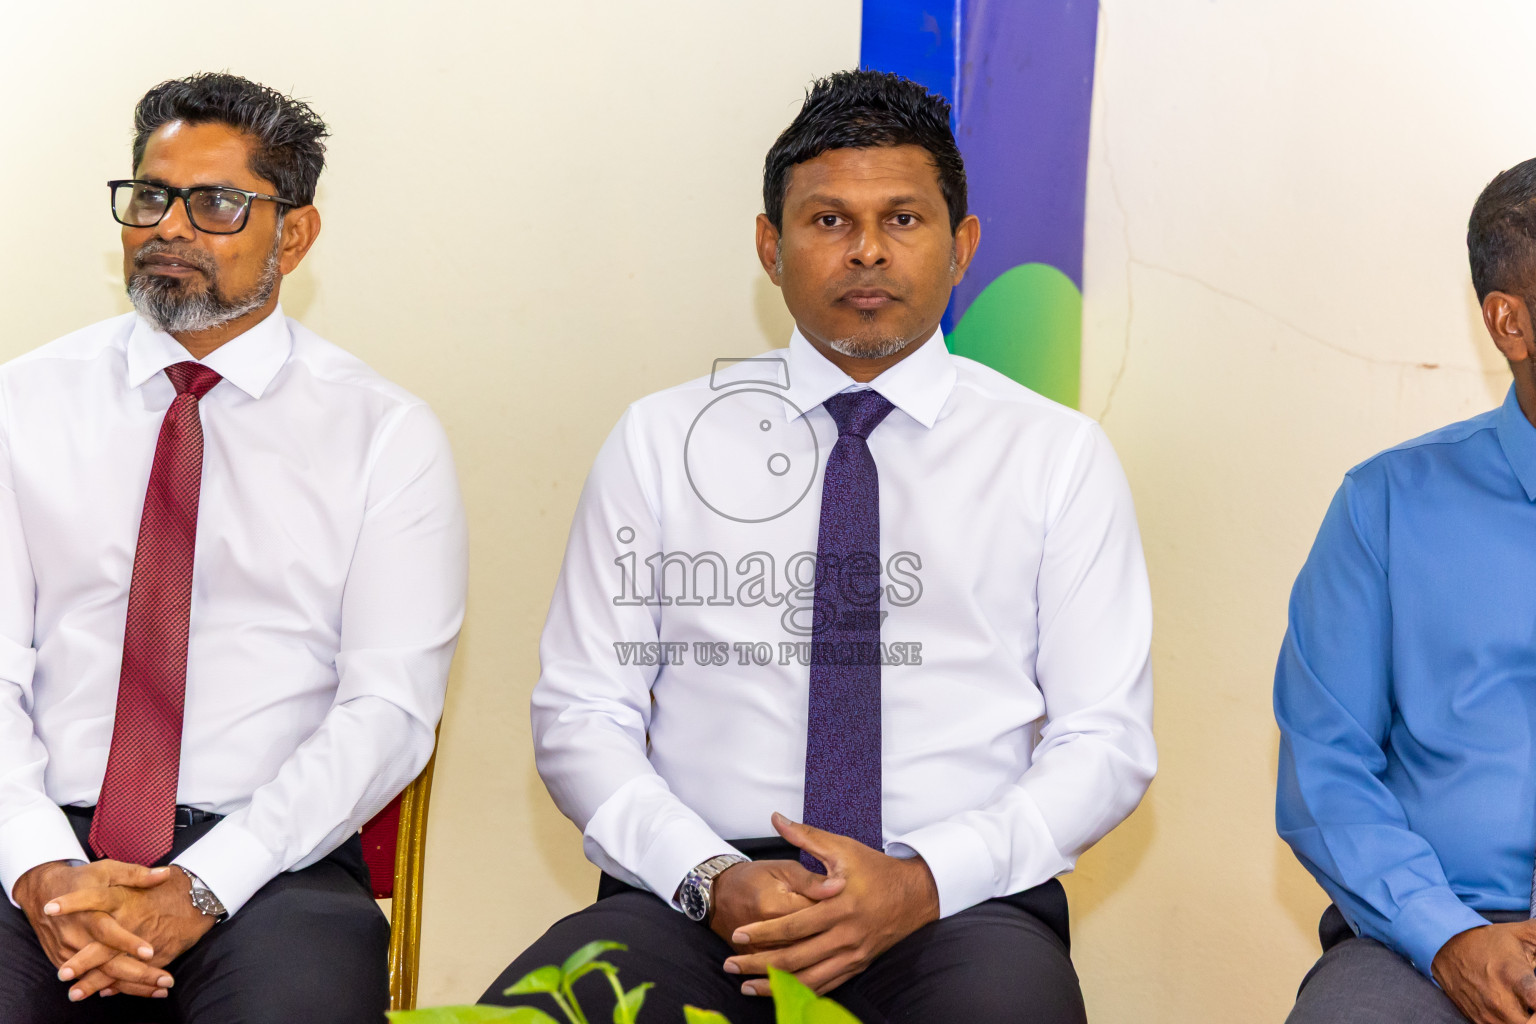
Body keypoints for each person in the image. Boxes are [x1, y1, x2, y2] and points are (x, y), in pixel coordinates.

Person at [483, 69, 1155, 1023]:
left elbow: (1105, 742)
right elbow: (582, 714)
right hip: (699, 896)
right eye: (829, 221)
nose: (868, 251)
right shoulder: (661, 439)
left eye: (905, 220)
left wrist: (920, 883)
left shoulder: (1056, 455)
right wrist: (711, 877)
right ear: (770, 245)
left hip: (954, 904)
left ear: (962, 246)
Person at [0, 73, 467, 1022]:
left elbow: (386, 710)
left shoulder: (384, 434)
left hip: (271, 866)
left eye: (216, 203)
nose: (171, 226)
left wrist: (204, 883)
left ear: (293, 234)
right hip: (39, 848)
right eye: (151, 197)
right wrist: (38, 865)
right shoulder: (20, 406)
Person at [1275, 158, 1536, 1024]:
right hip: (1439, 934)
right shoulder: (1386, 507)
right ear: (1510, 322)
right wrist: (1445, 937)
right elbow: (1326, 765)